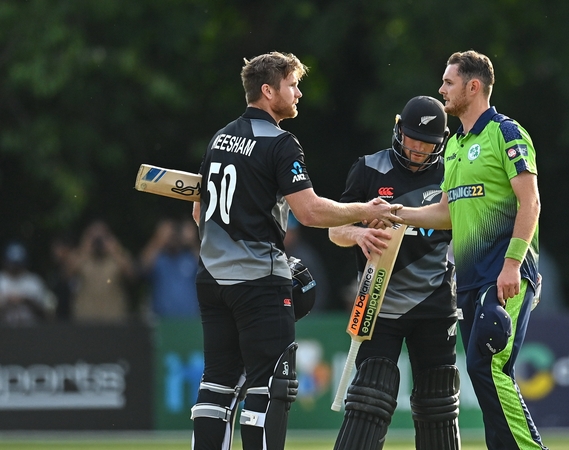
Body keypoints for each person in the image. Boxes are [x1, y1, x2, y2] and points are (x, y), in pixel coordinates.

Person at [188, 51, 401, 450]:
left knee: (216, 383)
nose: (299, 93)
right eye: (292, 85)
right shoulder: (280, 143)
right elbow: (310, 211)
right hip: (258, 281)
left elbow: (200, 211)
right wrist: (365, 209)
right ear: (269, 91)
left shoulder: (219, 138)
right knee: (271, 386)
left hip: (211, 278)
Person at [397, 50, 547, 450]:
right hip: (469, 281)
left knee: (489, 366)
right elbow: (446, 213)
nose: (441, 89)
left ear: (473, 86)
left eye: (448, 82)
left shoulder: (505, 133)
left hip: (504, 276)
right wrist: (397, 215)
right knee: (485, 377)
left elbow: (530, 202)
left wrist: (513, 264)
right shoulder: (454, 146)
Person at [329, 96, 460, 450]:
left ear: (443, 141)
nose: (417, 150)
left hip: (435, 303)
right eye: (412, 139)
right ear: (398, 128)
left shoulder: (453, 170)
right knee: (371, 396)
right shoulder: (369, 168)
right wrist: (358, 233)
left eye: (427, 144)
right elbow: (334, 228)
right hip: (377, 301)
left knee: (438, 403)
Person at [68, 220, 137, 323]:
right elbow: (67, 274)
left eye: (102, 236)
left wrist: (115, 251)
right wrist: (85, 250)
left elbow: (132, 275)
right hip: (85, 318)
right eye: (93, 236)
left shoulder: (118, 256)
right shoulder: (79, 256)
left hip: (114, 318)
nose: (98, 241)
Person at [140, 218, 200, 319]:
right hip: (162, 321)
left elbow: (210, 271)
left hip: (190, 322)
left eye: (176, 233)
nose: (173, 237)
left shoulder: (190, 257)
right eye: (170, 234)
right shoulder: (159, 259)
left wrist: (192, 242)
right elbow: (141, 268)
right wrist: (158, 240)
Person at [0, 241, 56, 326]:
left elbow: (49, 311)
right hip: (4, 332)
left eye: (17, 263)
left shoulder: (34, 281)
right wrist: (7, 301)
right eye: (12, 263)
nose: (14, 267)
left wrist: (26, 300)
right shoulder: (1, 280)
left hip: (31, 332)